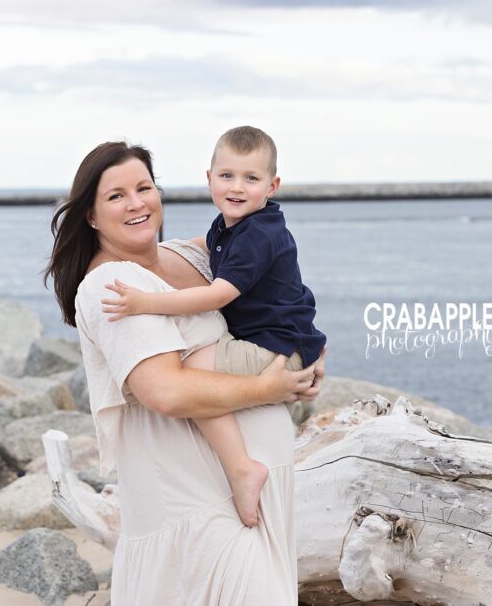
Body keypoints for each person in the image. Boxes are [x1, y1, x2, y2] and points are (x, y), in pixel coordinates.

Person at [45, 140, 324, 605]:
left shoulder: (193, 256)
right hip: (193, 505)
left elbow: (280, 287)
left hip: (253, 495)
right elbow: (166, 391)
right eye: (116, 196)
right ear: (91, 216)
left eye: (144, 187)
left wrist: (311, 350)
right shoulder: (110, 287)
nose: (136, 203)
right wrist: (264, 388)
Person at [100, 126, 326, 528]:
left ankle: (241, 468)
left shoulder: (258, 234)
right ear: (209, 179)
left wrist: (147, 303)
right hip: (282, 340)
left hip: (274, 347)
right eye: (227, 176)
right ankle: (238, 466)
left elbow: (218, 295)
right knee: (197, 368)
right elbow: (206, 248)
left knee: (191, 371)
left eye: (251, 178)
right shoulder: (230, 226)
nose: (237, 187)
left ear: (272, 186)